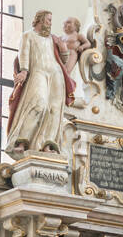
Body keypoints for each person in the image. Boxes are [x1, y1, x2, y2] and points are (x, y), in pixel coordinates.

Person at [6, 9, 75, 157]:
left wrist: (63, 48)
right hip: (38, 72)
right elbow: (23, 53)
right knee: (39, 104)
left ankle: (47, 144)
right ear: (40, 20)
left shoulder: (53, 38)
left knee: (54, 109)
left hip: (56, 74)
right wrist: (24, 70)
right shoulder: (28, 35)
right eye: (48, 20)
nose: (50, 23)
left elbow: (63, 60)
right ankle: (22, 141)